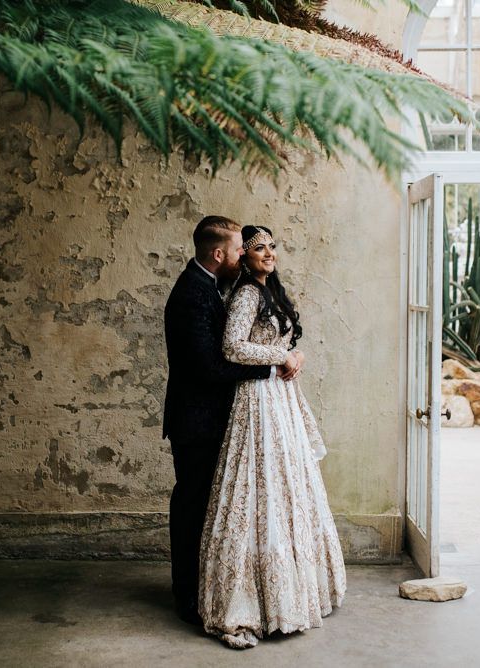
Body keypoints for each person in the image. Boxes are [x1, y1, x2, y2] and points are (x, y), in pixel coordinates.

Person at [198, 224, 346, 649]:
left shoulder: (271, 292)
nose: (268, 253)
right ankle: (250, 600)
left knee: (287, 485)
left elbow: (282, 344)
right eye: (258, 248)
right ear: (242, 257)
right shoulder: (245, 294)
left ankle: (294, 590)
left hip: (279, 397)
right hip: (257, 397)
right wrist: (283, 355)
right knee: (257, 484)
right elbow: (232, 347)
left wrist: (294, 354)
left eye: (272, 247)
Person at [163, 216, 274, 625]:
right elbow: (209, 366)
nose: (243, 254)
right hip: (195, 422)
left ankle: (200, 588)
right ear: (218, 253)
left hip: (206, 419)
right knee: (193, 506)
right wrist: (267, 368)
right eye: (238, 249)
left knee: (205, 507)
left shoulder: (210, 286)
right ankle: (187, 596)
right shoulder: (193, 293)